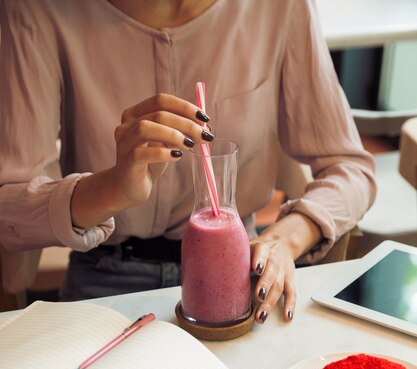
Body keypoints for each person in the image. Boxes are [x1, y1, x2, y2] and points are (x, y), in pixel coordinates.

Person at [0, 0, 376, 323]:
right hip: (104, 284)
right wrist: (111, 188)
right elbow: (9, 210)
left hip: (238, 275)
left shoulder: (278, 7)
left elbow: (351, 170)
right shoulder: (38, 10)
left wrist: (283, 240)